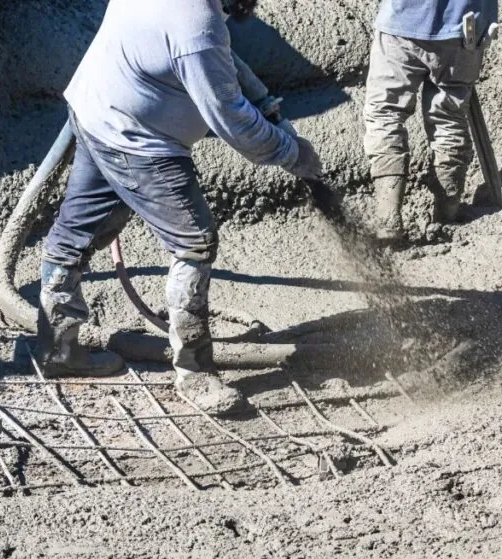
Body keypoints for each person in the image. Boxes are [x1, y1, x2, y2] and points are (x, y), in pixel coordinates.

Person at [36, 0, 322, 413]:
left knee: (77, 231)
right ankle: (195, 373)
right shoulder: (196, 25)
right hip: (140, 143)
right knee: (195, 241)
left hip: (97, 108)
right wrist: (293, 153)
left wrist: (259, 95)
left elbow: (215, 56)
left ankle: (55, 351)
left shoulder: (195, 19)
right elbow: (232, 120)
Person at [363, 0, 498, 242]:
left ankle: (388, 219)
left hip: (403, 22)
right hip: (464, 30)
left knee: (385, 113)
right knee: (449, 118)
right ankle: (447, 213)